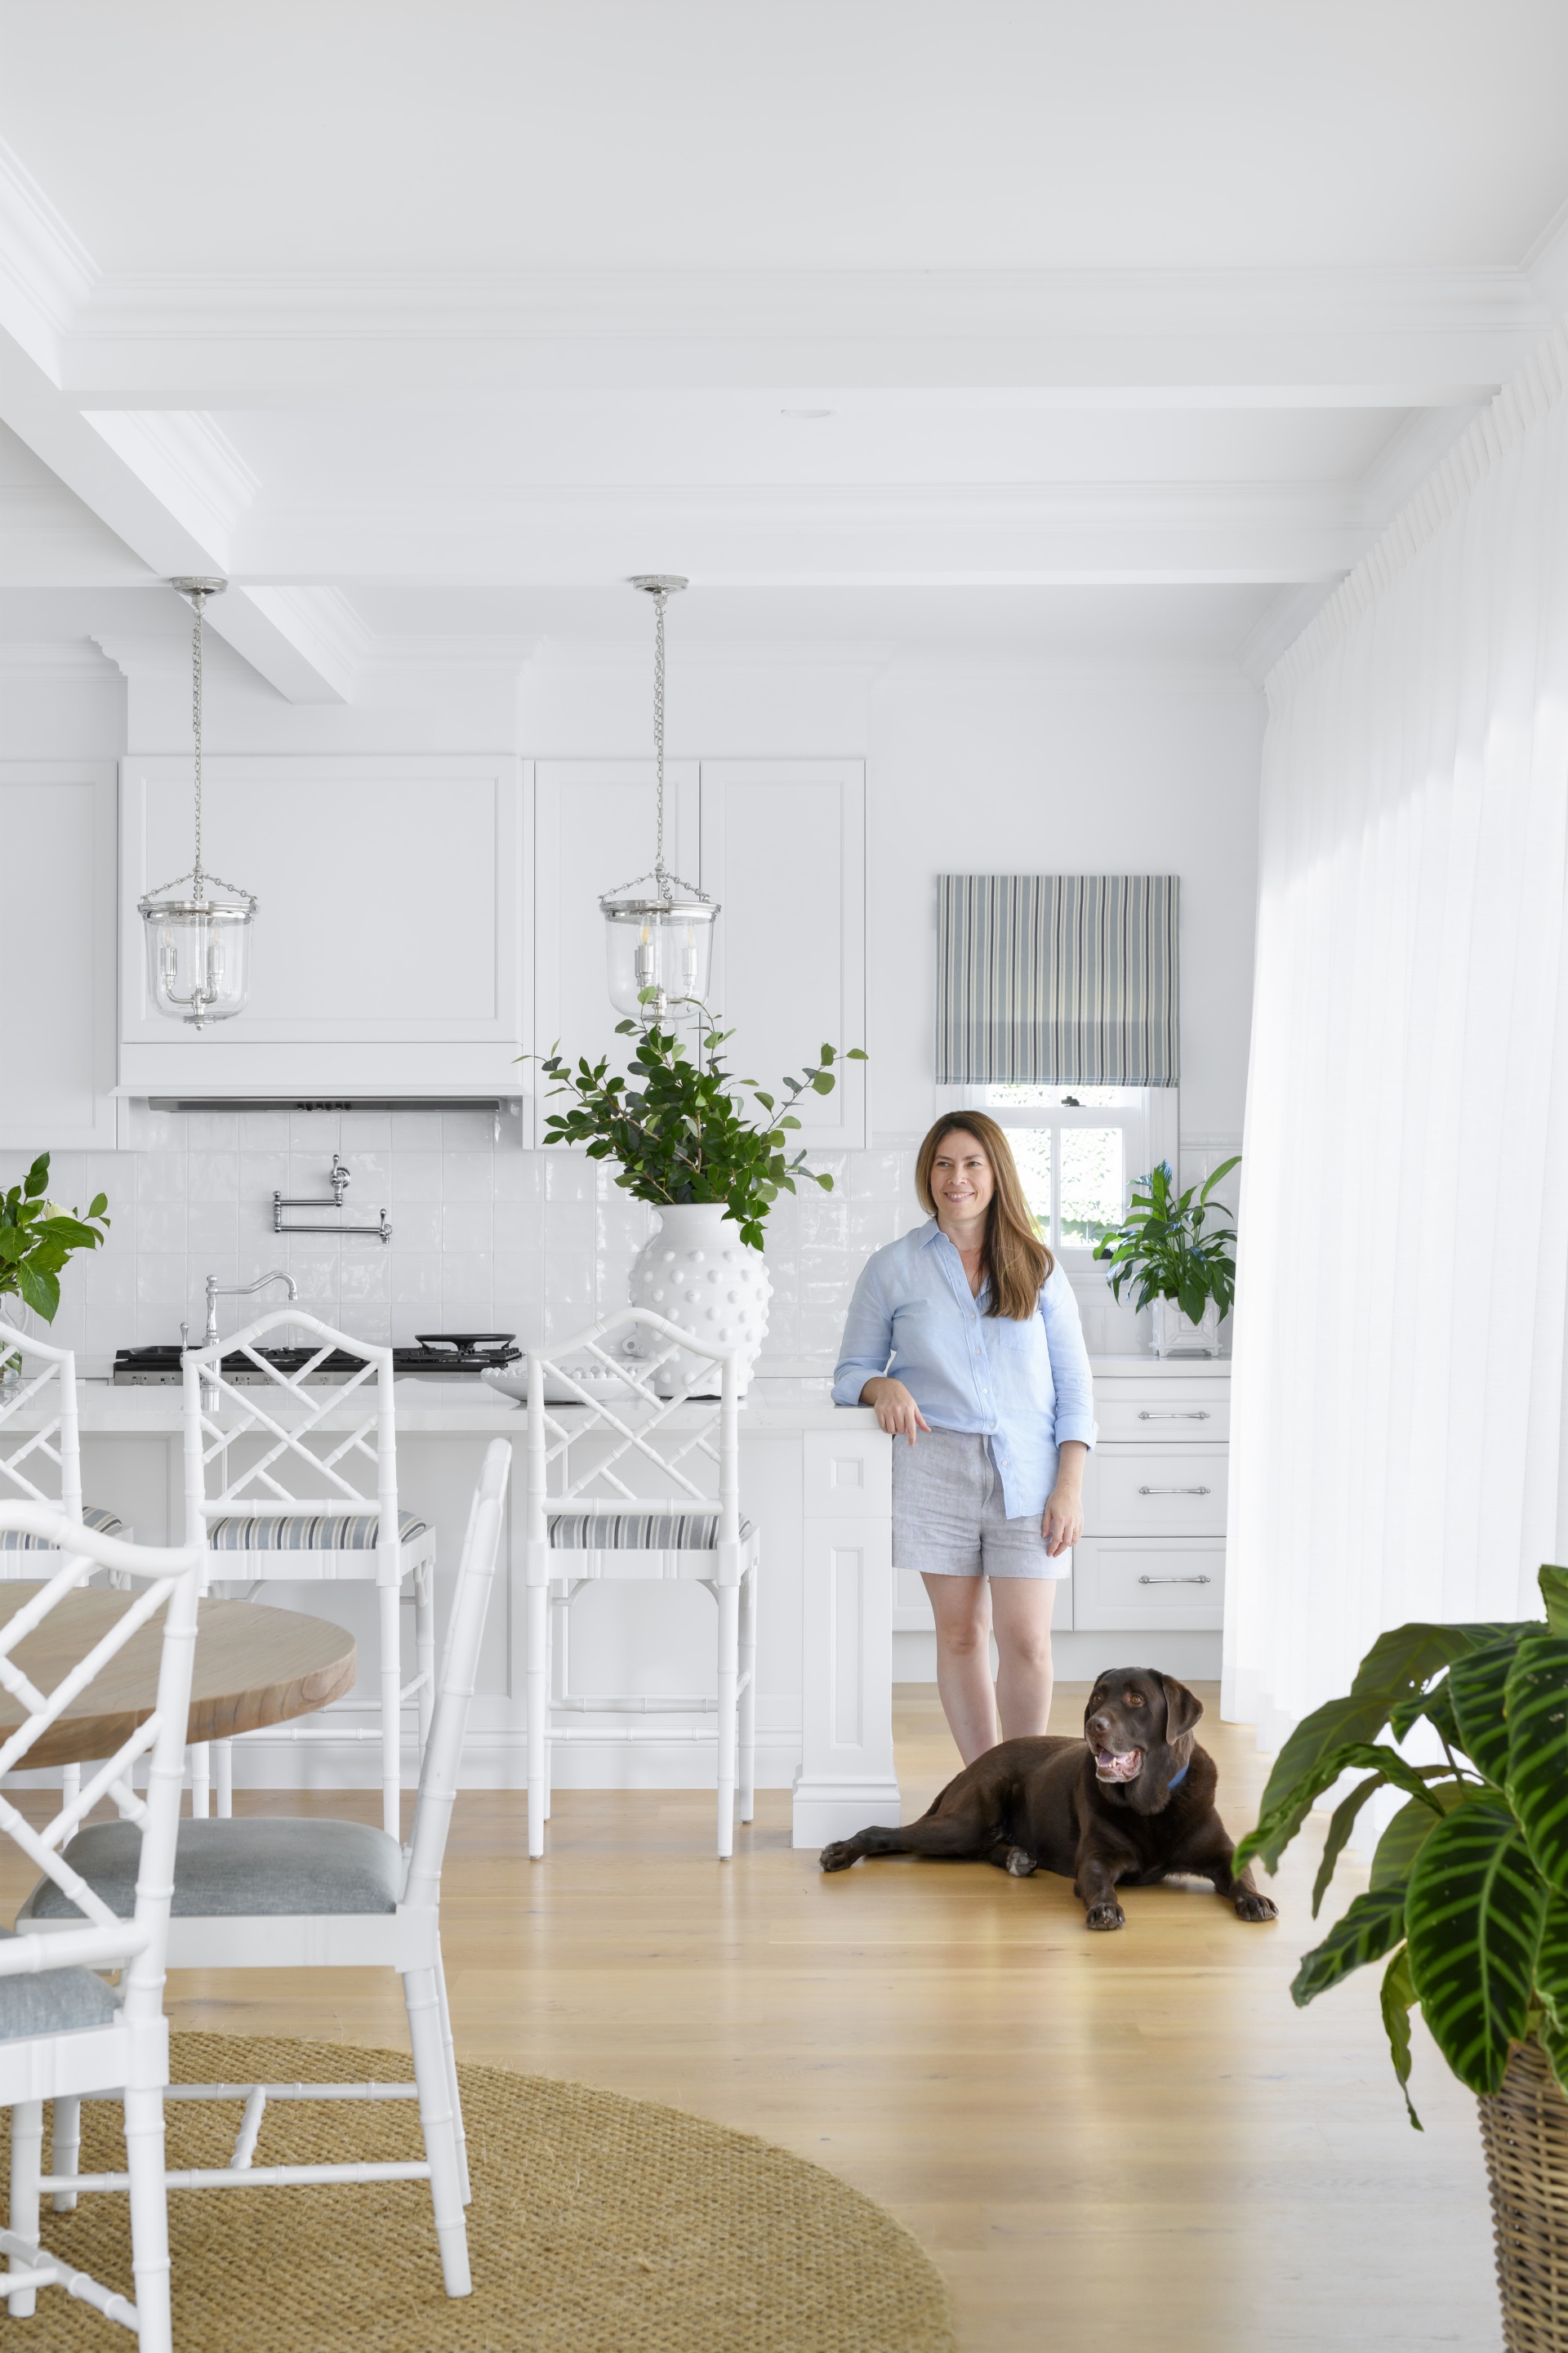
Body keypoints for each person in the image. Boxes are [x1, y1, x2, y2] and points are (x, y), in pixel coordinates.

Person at [832, 1112, 1096, 1764]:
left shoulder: (1039, 1268)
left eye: (973, 1162)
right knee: (958, 1635)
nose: (958, 1177)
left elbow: (1076, 1391)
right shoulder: (892, 1267)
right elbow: (849, 1372)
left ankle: (1027, 1785)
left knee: (1028, 1639)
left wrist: (1070, 1486)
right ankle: (986, 1788)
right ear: (929, 1174)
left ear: (996, 1172)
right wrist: (881, 1387)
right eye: (944, 1163)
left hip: (1029, 1474)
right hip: (934, 1470)